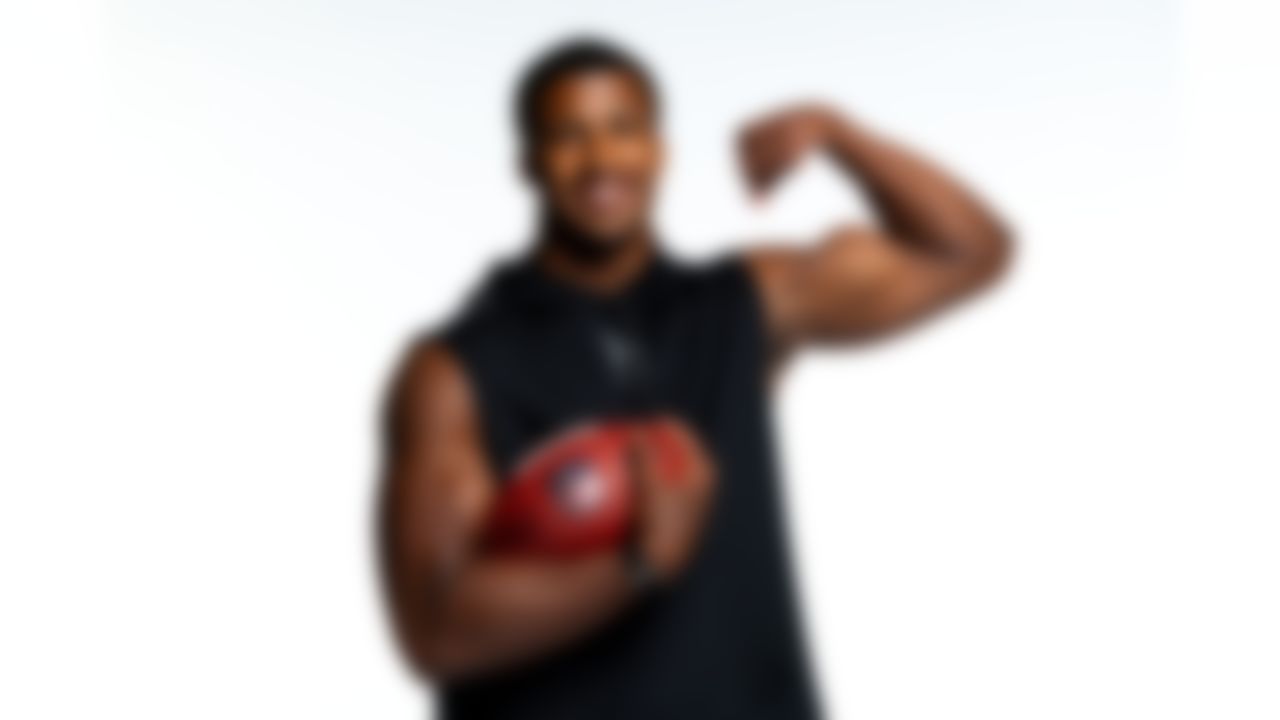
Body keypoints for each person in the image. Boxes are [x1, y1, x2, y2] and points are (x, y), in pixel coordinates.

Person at [379, 36, 1012, 720]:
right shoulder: (456, 367)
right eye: (569, 136)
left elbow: (967, 252)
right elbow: (435, 630)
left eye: (623, 129)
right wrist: (639, 568)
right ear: (531, 164)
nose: (601, 160)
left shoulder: (748, 302)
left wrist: (838, 132)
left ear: (657, 150)